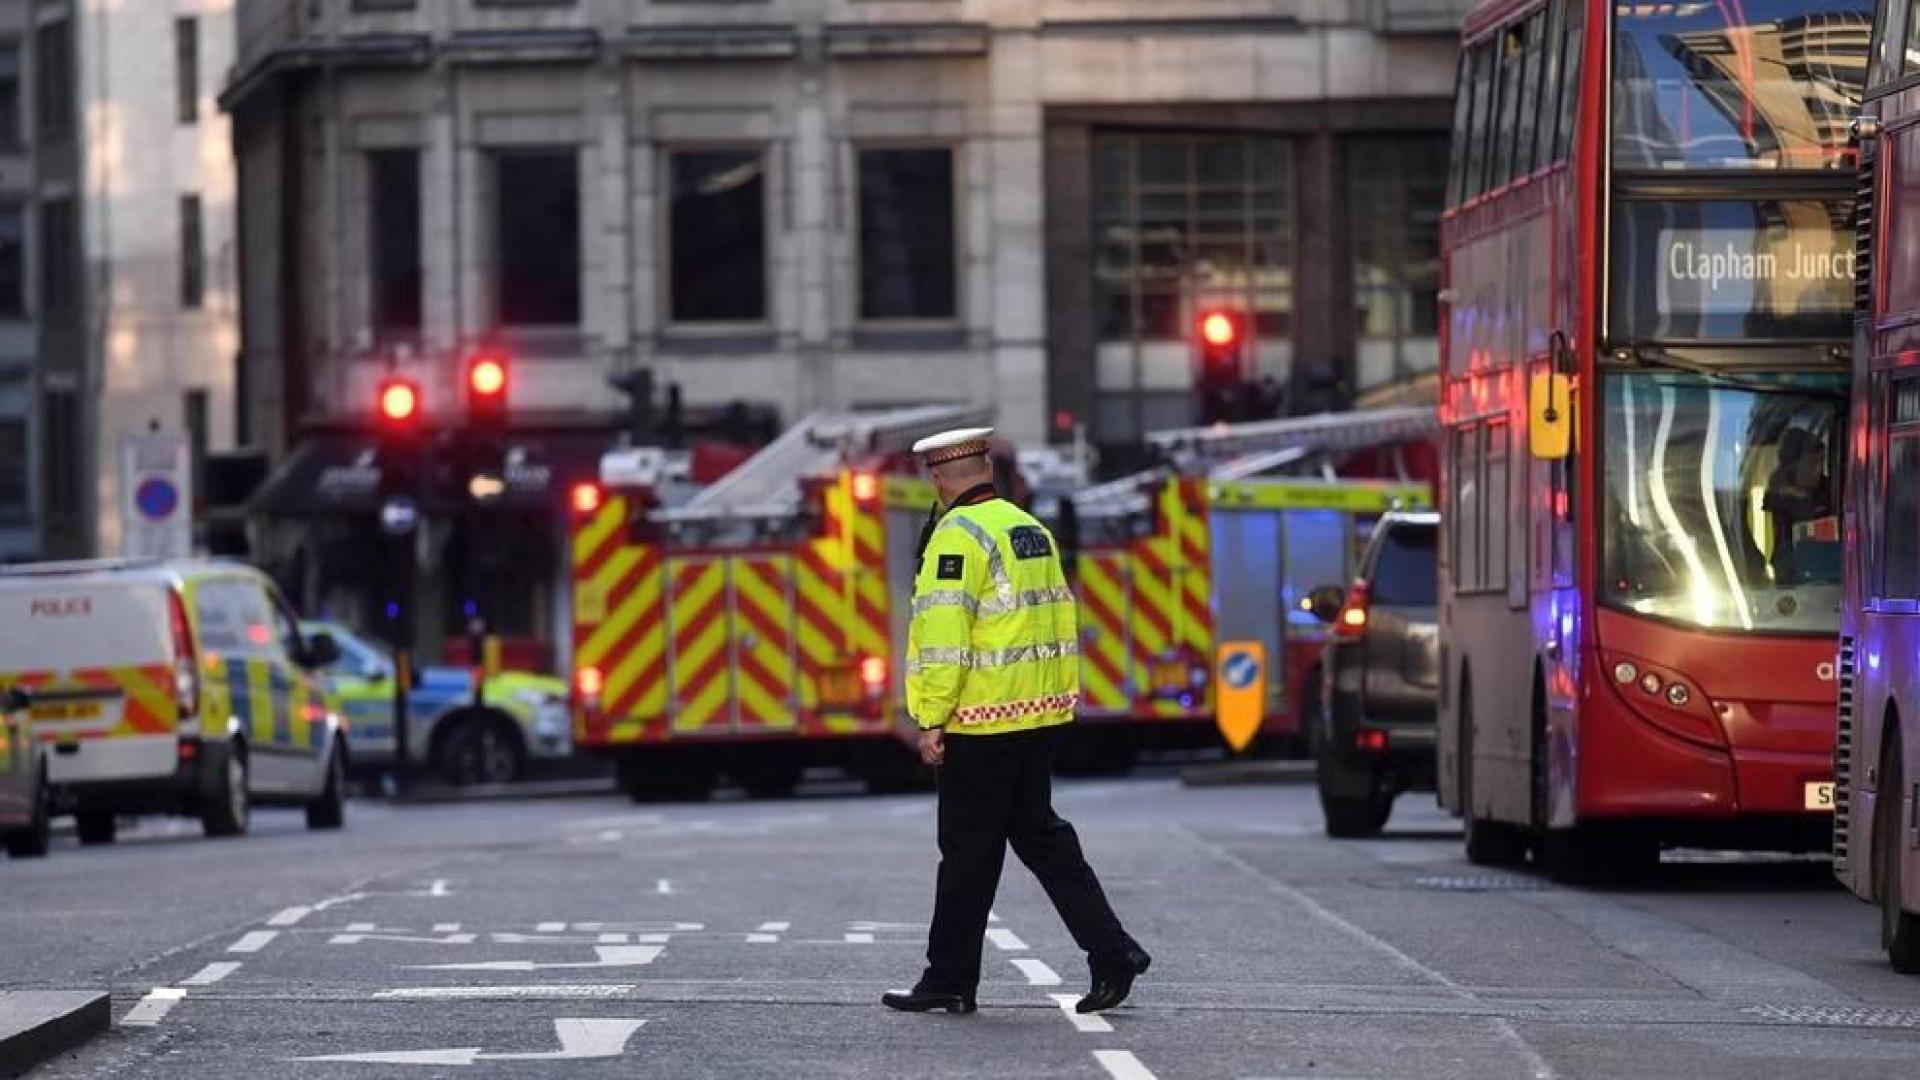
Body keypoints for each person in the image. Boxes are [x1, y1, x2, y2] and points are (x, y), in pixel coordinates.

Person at [882, 427, 1150, 1018]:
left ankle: (949, 977)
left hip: (982, 720)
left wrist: (931, 718)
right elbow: (1056, 618)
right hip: (1037, 714)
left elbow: (947, 638)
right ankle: (1112, 952)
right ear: (985, 468)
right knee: (1039, 837)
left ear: (937, 477)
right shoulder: (1029, 528)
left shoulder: (957, 537)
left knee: (967, 852)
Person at [1762, 428, 1833, 584]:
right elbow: (1779, 545)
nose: (1819, 470)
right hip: (1791, 575)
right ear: (1792, 466)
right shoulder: (1776, 496)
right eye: (1813, 463)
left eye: (1821, 462)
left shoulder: (1829, 489)